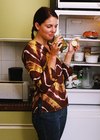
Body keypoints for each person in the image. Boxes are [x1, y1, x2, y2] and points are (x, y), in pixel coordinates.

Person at [22, 7, 79, 140]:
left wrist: (69, 53)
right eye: (49, 26)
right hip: (46, 110)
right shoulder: (30, 50)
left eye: (55, 26)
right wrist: (53, 56)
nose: (53, 30)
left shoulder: (49, 46)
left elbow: (62, 76)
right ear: (37, 25)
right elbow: (43, 85)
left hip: (61, 106)